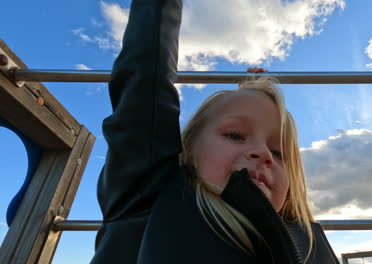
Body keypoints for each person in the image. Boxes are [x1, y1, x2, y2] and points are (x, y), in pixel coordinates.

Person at [91, 0, 339, 263]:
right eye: (235, 135)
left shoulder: (311, 243)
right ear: (187, 152)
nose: (263, 153)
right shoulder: (147, 197)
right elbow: (144, 81)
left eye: (278, 152)